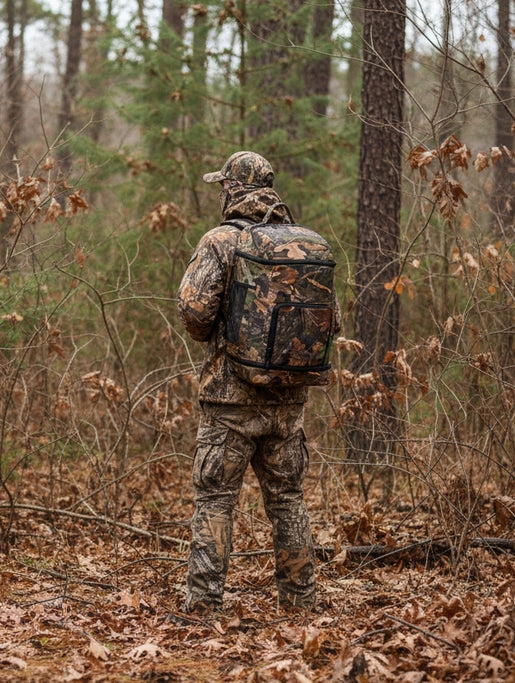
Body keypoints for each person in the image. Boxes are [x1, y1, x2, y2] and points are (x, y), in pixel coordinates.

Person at [176, 151, 337, 614]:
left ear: (231, 189)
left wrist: (219, 334)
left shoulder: (221, 241)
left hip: (230, 401)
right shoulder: (306, 245)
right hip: (288, 403)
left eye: (222, 186)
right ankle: (302, 604)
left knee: (215, 498)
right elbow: (333, 321)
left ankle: (203, 608)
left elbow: (194, 312)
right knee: (288, 499)